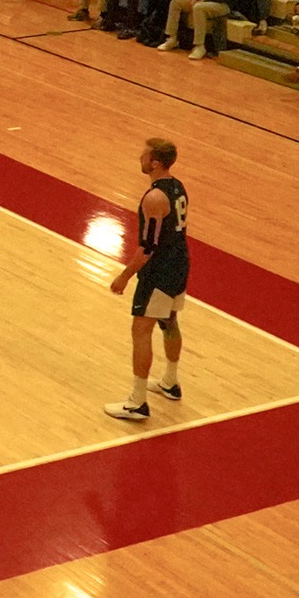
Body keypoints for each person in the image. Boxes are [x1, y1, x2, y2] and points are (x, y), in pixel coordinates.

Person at [105, 138, 190, 421]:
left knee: (141, 330)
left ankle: (137, 402)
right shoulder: (177, 187)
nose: (139, 157)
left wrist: (124, 276)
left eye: (143, 154)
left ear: (154, 162)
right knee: (169, 321)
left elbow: (148, 247)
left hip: (160, 270)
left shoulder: (154, 198)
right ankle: (170, 381)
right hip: (180, 263)